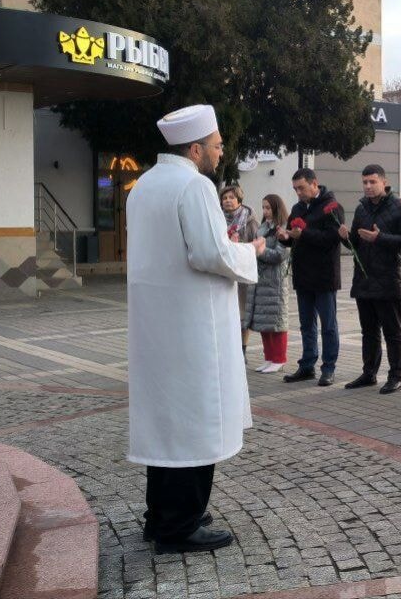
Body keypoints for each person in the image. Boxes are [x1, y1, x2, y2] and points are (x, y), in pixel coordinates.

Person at [126, 104, 264, 554]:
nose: (221, 152)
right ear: (195, 148)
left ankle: (161, 516)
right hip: (193, 327)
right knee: (194, 421)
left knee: (167, 423)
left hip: (158, 325)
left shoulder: (143, 185)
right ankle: (180, 526)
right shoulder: (194, 185)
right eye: (217, 145)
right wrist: (251, 251)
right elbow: (210, 254)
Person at [339, 164, 401, 393]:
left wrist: (380, 238)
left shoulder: (400, 208)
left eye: (373, 182)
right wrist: (345, 238)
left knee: (392, 331)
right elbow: (356, 242)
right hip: (364, 279)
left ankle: (396, 375)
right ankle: (369, 373)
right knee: (369, 331)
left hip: (389, 279)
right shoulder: (362, 208)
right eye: (365, 182)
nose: (368, 187)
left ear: (384, 181)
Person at [278, 168, 344, 387]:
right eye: (295, 189)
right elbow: (293, 239)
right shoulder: (297, 208)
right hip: (303, 274)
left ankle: (328, 368)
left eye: (302, 188)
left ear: (314, 184)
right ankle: (307, 366)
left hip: (324, 275)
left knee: (328, 325)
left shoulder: (331, 206)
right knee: (306, 324)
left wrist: (303, 234)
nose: (298, 193)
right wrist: (284, 238)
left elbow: (332, 239)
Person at [244, 195, 291, 373]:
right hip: (260, 279)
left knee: (276, 321)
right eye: (263, 208)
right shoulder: (262, 228)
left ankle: (279, 358)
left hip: (275, 280)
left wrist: (261, 252)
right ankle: (269, 357)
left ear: (277, 209)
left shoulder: (285, 228)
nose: (265, 211)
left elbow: (281, 255)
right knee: (264, 320)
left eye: (268, 208)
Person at [221, 185, 259, 355]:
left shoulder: (249, 220)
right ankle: (228, 349)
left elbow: (256, 245)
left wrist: (239, 246)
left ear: (239, 200)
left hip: (242, 273)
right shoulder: (217, 218)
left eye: (231, 197)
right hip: (224, 273)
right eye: (224, 198)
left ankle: (242, 351)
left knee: (242, 313)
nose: (227, 201)